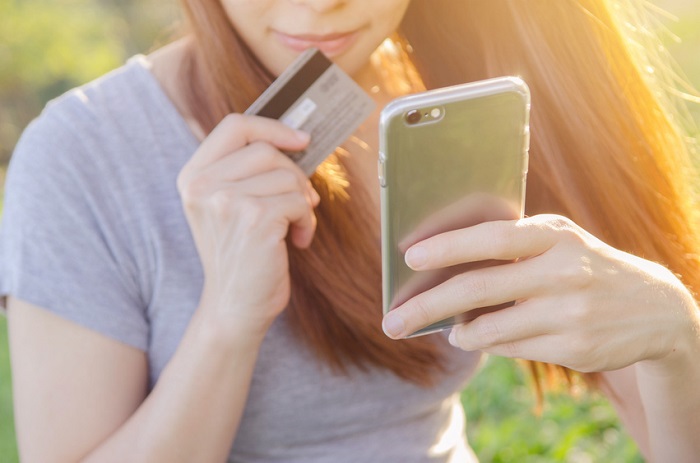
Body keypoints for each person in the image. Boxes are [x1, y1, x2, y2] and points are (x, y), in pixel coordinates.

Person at [2, 0, 699, 461]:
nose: (320, 1)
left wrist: (677, 337)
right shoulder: (83, 154)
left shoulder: (470, 90)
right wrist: (228, 318)